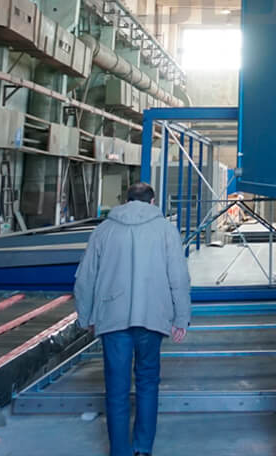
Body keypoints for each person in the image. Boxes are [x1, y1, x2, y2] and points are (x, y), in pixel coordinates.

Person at [73, 182, 191, 456]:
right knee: (148, 382)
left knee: (116, 388)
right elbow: (179, 277)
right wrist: (181, 317)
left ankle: (119, 450)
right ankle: (143, 447)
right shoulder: (166, 230)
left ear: (125, 201)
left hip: (113, 319)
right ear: (152, 202)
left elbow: (85, 278)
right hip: (152, 317)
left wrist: (86, 316)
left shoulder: (103, 230)